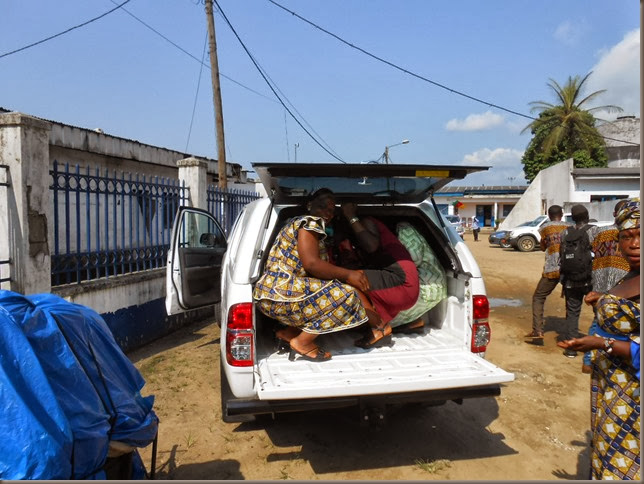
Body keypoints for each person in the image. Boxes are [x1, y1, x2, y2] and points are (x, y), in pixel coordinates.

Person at [557, 197, 639, 480]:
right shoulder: (630, 274)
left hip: (633, 400)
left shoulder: (570, 234)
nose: (634, 244)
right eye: (627, 236)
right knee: (605, 453)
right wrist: (603, 300)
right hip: (612, 391)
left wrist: (602, 344)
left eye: (641, 235)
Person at [252, 188, 386, 361]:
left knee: (331, 293)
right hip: (282, 293)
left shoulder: (294, 223)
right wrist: (349, 275)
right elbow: (312, 264)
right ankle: (303, 342)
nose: (327, 213)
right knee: (346, 296)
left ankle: (288, 333)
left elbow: (315, 273)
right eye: (322, 206)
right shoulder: (309, 222)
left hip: (270, 296)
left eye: (331, 210)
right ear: (309, 205)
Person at [334, 202, 420, 343]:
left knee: (347, 279)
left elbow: (371, 246)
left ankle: (380, 328)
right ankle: (378, 326)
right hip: (401, 286)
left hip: (402, 283)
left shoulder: (368, 222)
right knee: (351, 276)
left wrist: (350, 216)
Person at [580, 200, 630, 372]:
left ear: (614, 214)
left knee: (598, 321)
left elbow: (590, 250)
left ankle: (588, 361)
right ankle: (597, 360)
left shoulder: (598, 231)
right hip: (622, 286)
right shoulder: (630, 234)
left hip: (599, 282)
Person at [525, 205, 570, 346]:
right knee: (571, 302)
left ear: (549, 215)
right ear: (561, 214)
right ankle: (569, 335)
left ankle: (538, 330)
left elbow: (543, 247)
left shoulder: (545, 228)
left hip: (552, 269)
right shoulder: (569, 227)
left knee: (538, 297)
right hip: (568, 269)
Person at [558, 204, 595, 358]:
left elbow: (562, 255)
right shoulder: (593, 231)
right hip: (589, 279)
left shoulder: (565, 232)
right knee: (599, 312)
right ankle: (597, 345)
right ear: (587, 216)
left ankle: (571, 348)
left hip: (570, 280)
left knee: (572, 313)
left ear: (572, 218)